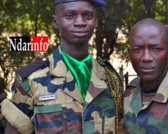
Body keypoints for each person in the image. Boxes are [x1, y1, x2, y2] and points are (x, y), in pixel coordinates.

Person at [0, 0, 124, 133]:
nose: (80, 22)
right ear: (55, 21)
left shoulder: (110, 79)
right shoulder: (32, 80)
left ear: (95, 20)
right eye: (70, 16)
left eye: (88, 16)